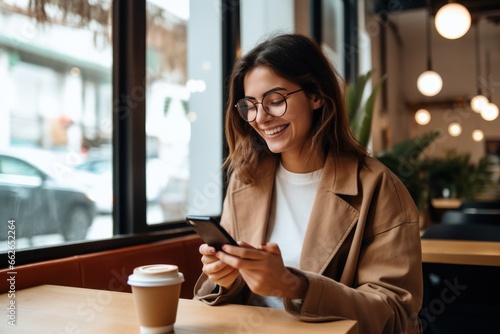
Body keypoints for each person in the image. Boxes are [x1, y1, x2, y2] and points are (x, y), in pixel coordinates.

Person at [193, 33, 423, 334]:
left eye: (275, 101)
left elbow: (395, 314)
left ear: (316, 96)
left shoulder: (377, 187)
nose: (261, 117)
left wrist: (295, 286)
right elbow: (226, 296)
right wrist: (224, 278)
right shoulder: (245, 180)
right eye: (250, 105)